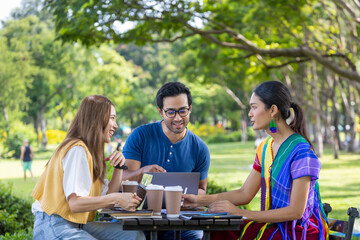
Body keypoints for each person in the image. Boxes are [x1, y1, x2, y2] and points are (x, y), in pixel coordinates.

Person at [183, 81, 329, 240]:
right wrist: (198, 200)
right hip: (275, 226)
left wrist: (240, 213)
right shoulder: (265, 148)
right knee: (220, 230)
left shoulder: (301, 151)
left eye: (254, 107)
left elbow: (296, 211)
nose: (250, 114)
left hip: (298, 230)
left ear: (272, 110)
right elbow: (244, 193)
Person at [31, 95, 145, 240]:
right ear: (97, 119)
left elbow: (107, 204)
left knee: (134, 235)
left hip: (78, 223)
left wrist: (119, 167)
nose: (115, 125)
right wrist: (117, 198)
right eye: (112, 118)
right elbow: (75, 204)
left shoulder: (92, 153)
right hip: (53, 224)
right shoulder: (77, 150)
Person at [122, 82, 211, 240]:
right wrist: (142, 171)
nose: (178, 118)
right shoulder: (140, 136)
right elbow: (123, 180)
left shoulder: (200, 148)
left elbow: (202, 189)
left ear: (190, 108)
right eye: (171, 112)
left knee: (197, 236)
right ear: (160, 111)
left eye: (183, 111)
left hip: (180, 223)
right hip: (140, 219)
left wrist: (189, 198)